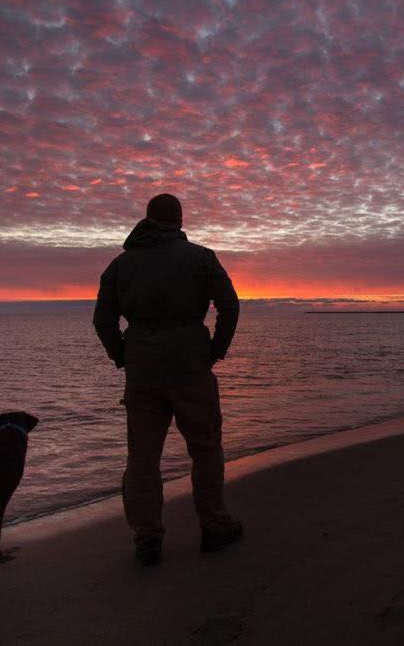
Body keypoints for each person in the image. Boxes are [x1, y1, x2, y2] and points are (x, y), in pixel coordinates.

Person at [93, 193, 243, 566]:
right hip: (191, 364)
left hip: (143, 371)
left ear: (148, 218)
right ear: (179, 220)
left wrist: (121, 355)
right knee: (206, 448)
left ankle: (147, 538)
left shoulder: (120, 265)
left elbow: (102, 321)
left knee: (142, 458)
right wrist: (215, 350)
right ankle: (214, 526)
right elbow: (230, 306)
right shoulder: (201, 258)